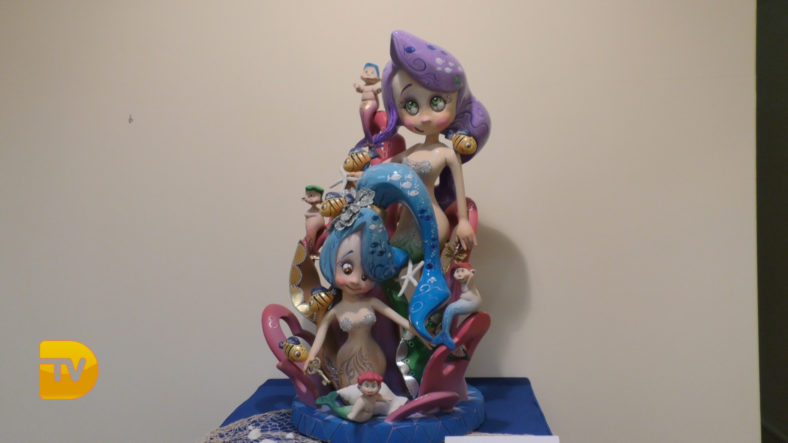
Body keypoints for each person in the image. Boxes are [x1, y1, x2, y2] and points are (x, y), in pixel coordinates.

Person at [368, 30, 491, 260]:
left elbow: (459, 189)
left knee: (410, 264)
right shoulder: (412, 151)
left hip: (431, 221)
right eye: (411, 106)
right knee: (388, 263)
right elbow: (383, 167)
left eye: (436, 102)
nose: (424, 118)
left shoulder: (446, 153)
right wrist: (365, 172)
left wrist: (464, 222)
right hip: (405, 220)